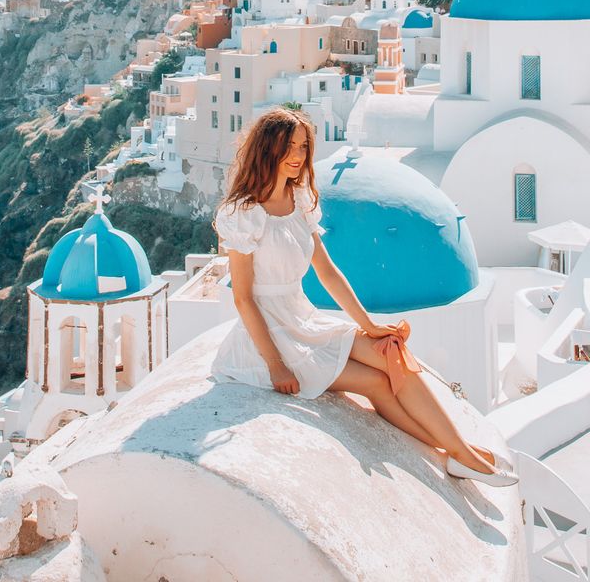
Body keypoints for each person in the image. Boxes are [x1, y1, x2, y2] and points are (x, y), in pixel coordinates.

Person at [211, 106, 518, 487]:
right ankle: (455, 453)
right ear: (266, 148)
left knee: (392, 352)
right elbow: (243, 298)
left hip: (303, 318)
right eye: (288, 146)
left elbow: (328, 274)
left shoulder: (300, 202)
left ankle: (460, 450)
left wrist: (369, 326)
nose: (297, 156)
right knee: (374, 382)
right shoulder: (243, 214)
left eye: (303, 147)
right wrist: (275, 364)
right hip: (270, 336)